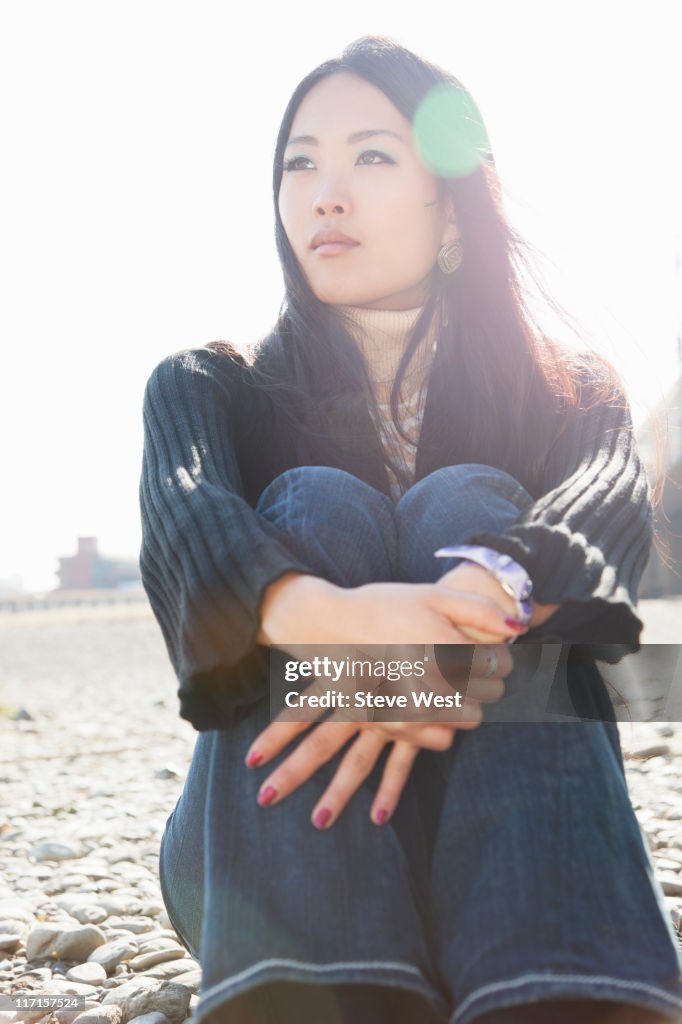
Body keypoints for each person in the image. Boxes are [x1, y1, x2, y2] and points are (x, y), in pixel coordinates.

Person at [138, 35, 682, 1024]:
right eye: (298, 161)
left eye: (370, 156)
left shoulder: (568, 395)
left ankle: (551, 996)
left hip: (510, 833)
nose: (323, 193)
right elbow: (189, 527)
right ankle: (319, 993)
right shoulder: (210, 385)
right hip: (264, 856)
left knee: (475, 509)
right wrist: (336, 616)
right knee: (314, 502)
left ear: (452, 215)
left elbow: (606, 524)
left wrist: (465, 602)